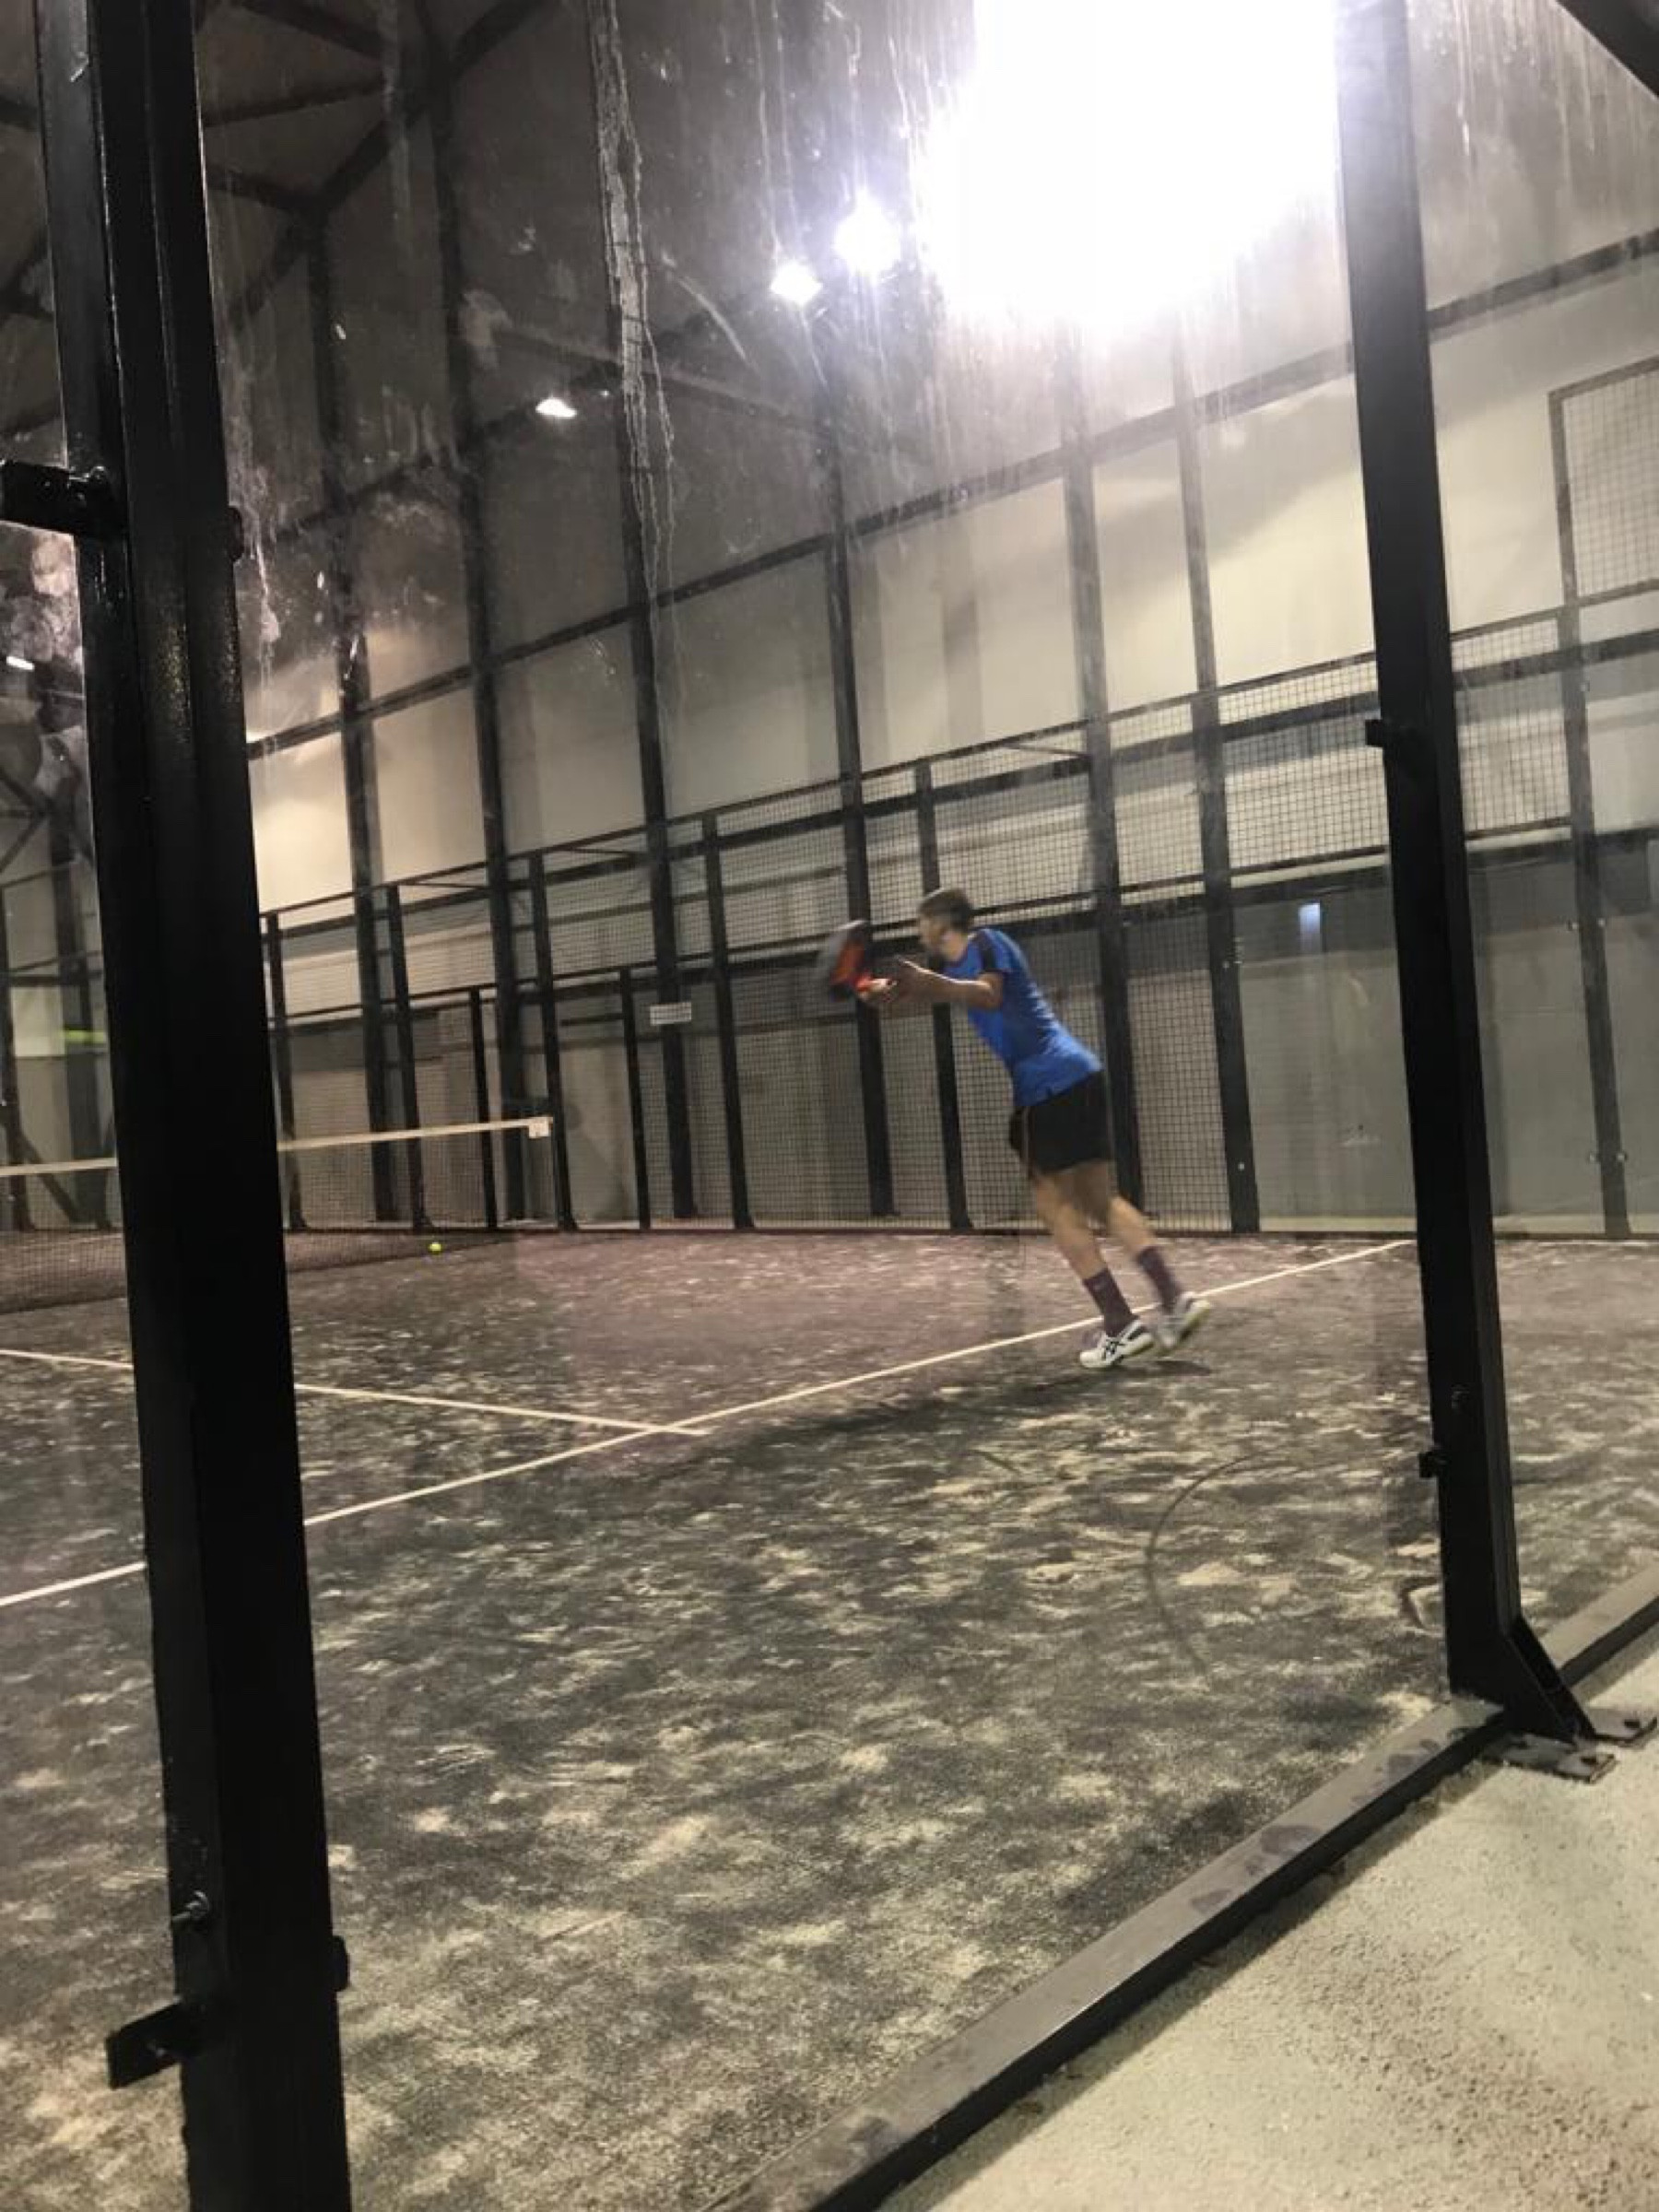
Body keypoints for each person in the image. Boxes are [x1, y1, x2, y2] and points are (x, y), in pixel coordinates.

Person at [865, 887, 1208, 1371]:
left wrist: (929, 984)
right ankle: (1175, 1300)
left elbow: (988, 994)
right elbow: (936, 992)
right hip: (1079, 1076)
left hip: (1047, 1088)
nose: (918, 930)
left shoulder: (988, 944)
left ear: (941, 922)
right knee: (1100, 1199)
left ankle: (1120, 1325)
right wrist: (878, 992)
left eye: (921, 920)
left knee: (1055, 1206)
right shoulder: (956, 970)